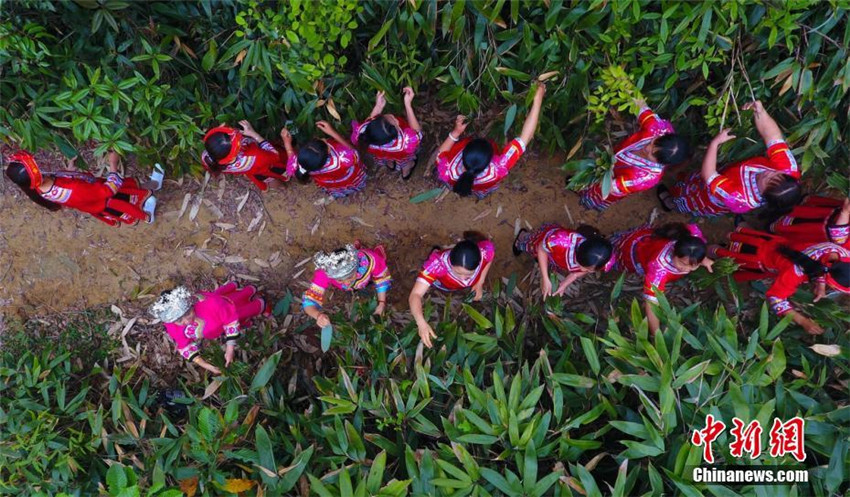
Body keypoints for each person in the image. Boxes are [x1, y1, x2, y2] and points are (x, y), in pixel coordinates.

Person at [660, 101, 802, 218]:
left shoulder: (739, 198)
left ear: (764, 196)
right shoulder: (788, 169)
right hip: (723, 174)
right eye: (775, 174)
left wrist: (715, 144)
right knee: (691, 181)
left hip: (710, 198)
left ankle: (670, 203)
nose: (768, 173)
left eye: (767, 181)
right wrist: (761, 112)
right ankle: (679, 183)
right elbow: (773, 137)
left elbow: (709, 175)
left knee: (689, 201)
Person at [711, 228, 850, 335]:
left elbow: (822, 264)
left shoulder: (839, 253)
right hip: (757, 257)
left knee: (737, 238)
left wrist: (821, 284)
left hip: (774, 244)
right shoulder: (794, 273)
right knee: (723, 253)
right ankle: (712, 251)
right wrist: (802, 321)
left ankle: (730, 235)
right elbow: (776, 299)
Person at [436, 83, 545, 198]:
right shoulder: (497, 169)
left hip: (459, 181)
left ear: (464, 155)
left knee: (473, 189)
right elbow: (526, 137)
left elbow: (440, 154)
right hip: (485, 184)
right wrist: (537, 100)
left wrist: (456, 132)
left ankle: (472, 191)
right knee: (482, 191)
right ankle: (479, 192)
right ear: (490, 159)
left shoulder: (448, 170)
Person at [580, 99, 689, 211]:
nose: (648, 148)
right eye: (654, 142)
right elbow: (639, 103)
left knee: (597, 194)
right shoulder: (657, 128)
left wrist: (592, 177)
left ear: (661, 163)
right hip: (611, 162)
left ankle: (586, 199)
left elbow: (609, 187)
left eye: (653, 154)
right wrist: (625, 89)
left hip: (610, 181)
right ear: (662, 135)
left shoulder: (644, 178)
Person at [5, 150, 160, 226]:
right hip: (103, 198)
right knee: (127, 202)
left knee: (131, 191)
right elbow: (109, 190)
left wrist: (69, 170)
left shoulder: (41, 186)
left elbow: (64, 181)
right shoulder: (72, 191)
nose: (38, 165)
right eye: (35, 166)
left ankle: (152, 188)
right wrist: (113, 163)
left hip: (93, 194)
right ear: (35, 175)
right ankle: (148, 217)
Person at [611, 223, 714, 333]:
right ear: (673, 252)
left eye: (694, 265)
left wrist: (704, 260)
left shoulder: (693, 240)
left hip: (650, 240)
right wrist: (656, 334)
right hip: (632, 252)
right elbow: (651, 305)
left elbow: (692, 232)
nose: (687, 269)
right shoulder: (658, 269)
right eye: (682, 263)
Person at [149, 282, 266, 375]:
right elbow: (184, 345)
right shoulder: (172, 325)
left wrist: (230, 348)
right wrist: (207, 366)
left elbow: (230, 319)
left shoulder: (210, 304)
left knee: (239, 308)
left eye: (188, 313)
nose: (187, 321)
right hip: (215, 327)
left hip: (224, 311)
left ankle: (260, 303)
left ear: (191, 305)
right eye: (180, 321)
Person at [409, 231, 495, 347]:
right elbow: (416, 294)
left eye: (469, 274)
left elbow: (490, 255)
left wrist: (480, 282)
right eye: (458, 273)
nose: (463, 279)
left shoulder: (485, 252)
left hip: (451, 284)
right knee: (433, 281)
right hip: (442, 283)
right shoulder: (437, 265)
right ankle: (434, 253)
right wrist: (421, 322)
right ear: (450, 262)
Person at [302, 242, 393, 328]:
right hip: (361, 280)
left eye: (350, 277)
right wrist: (318, 315)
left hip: (367, 273)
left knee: (378, 267)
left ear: (357, 266)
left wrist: (381, 303)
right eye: (339, 280)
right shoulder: (326, 272)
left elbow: (381, 278)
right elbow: (309, 301)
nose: (346, 283)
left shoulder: (371, 261)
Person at [513, 223, 614, 297]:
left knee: (545, 259)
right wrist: (545, 278)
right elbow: (541, 249)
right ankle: (522, 237)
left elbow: (576, 274)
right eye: (582, 266)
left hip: (557, 258)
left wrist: (564, 284)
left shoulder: (603, 261)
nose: (583, 270)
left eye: (589, 270)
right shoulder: (559, 241)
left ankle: (542, 259)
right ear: (578, 251)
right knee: (532, 243)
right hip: (546, 244)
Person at [351, 87, 422, 180]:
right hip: (399, 154)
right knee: (404, 160)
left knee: (385, 158)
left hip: (379, 153)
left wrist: (378, 106)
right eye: (395, 121)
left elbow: (369, 121)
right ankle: (406, 169)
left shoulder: (362, 134)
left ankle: (390, 164)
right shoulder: (404, 143)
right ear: (395, 134)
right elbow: (417, 133)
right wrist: (408, 104)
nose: (392, 116)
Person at [284, 121, 366, 198]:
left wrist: (287, 142)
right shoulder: (342, 159)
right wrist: (332, 132)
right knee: (349, 183)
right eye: (325, 142)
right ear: (329, 151)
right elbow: (354, 152)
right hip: (347, 179)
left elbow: (291, 161)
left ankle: (339, 194)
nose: (323, 138)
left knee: (337, 188)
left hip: (329, 184)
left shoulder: (300, 165)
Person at [202, 120, 289, 191]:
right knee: (273, 175)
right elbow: (275, 155)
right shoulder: (255, 156)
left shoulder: (208, 157)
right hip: (266, 165)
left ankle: (278, 188)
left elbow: (220, 139)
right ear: (235, 152)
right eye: (237, 140)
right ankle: (282, 186)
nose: (236, 133)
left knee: (266, 179)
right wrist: (253, 134)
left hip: (253, 171)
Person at [770, 195, 850, 248]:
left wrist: (845, 213)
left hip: (827, 231)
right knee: (799, 208)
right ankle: (784, 206)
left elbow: (840, 242)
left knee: (800, 225)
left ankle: (778, 223)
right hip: (830, 212)